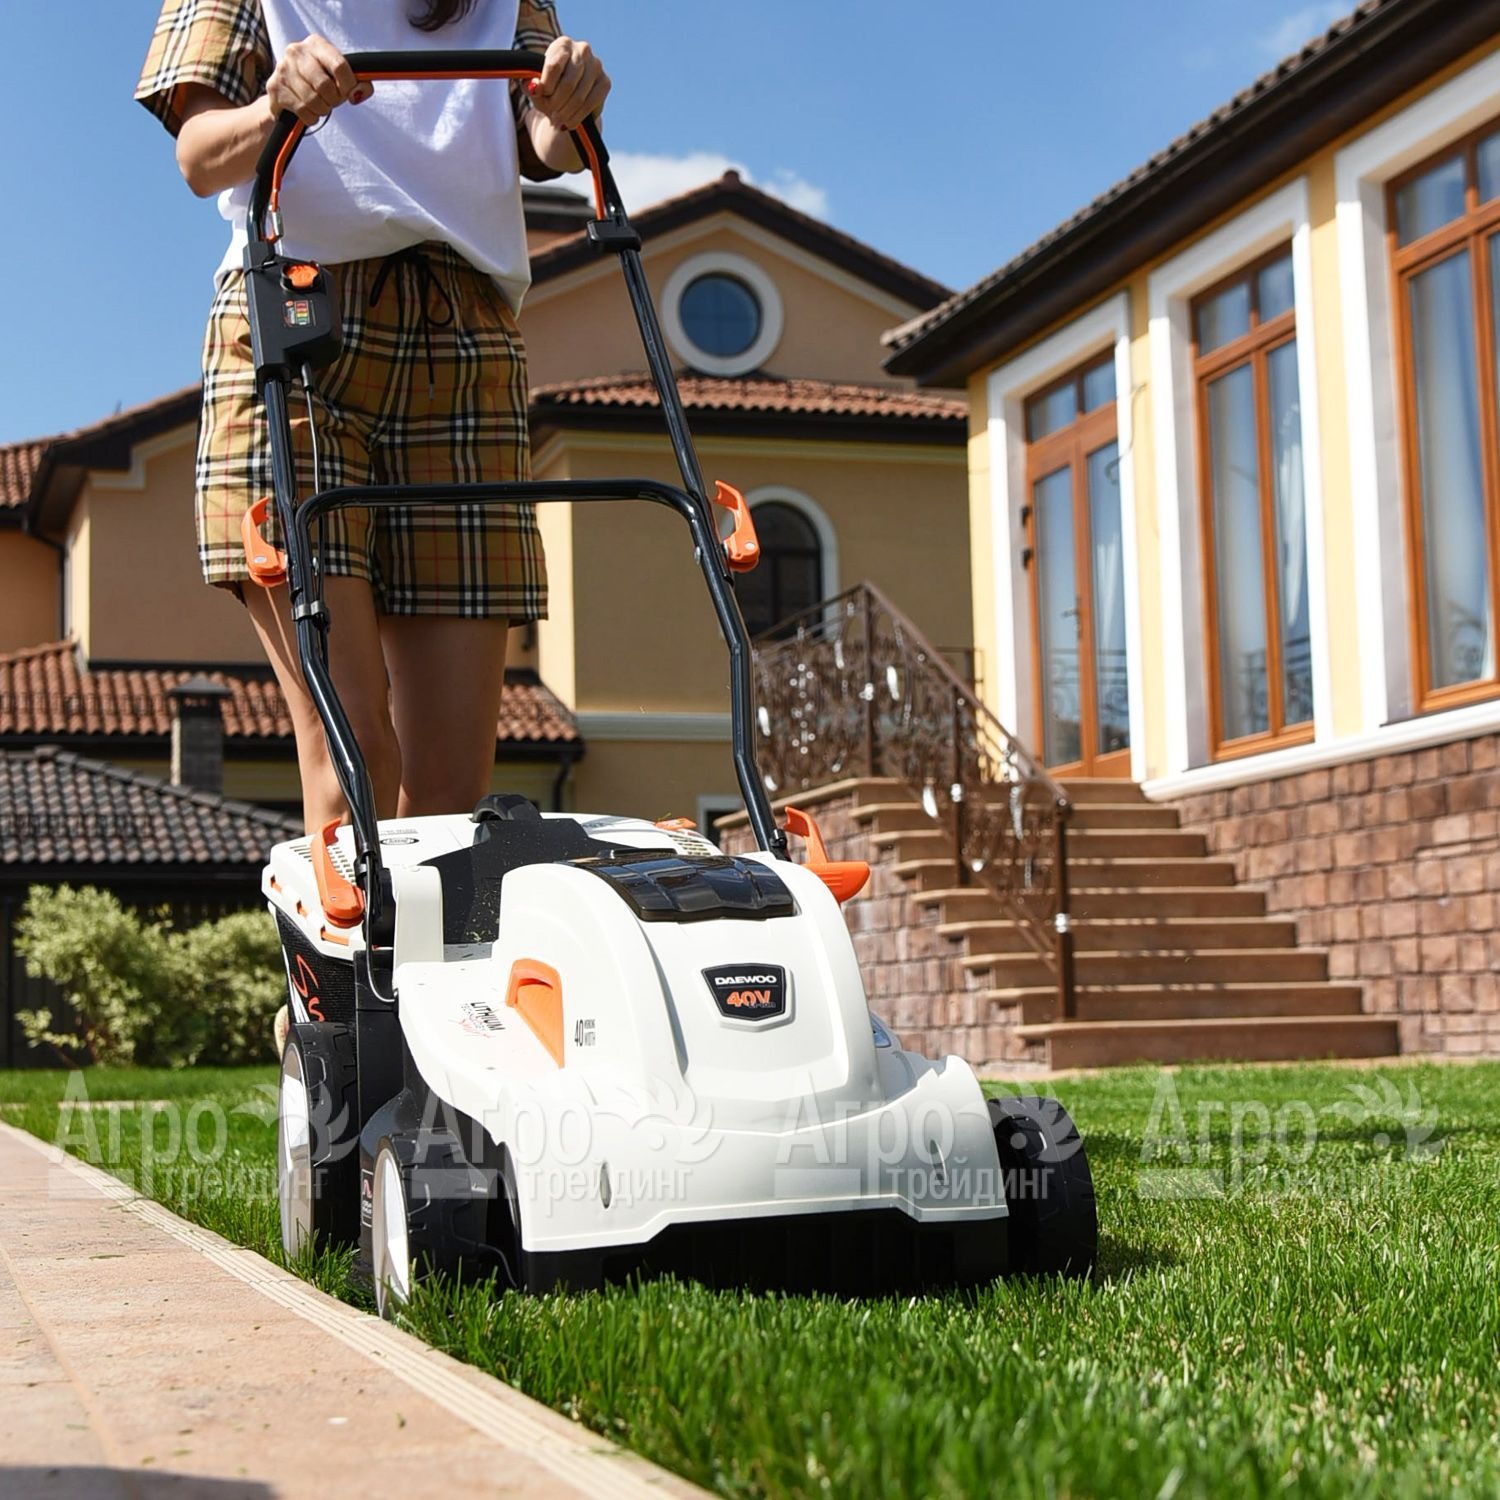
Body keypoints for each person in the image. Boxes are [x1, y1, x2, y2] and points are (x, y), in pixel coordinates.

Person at [137, 0, 609, 1055]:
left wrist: (568, 102)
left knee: (448, 788)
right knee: (352, 751)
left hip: (468, 337)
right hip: (295, 324)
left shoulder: (504, 3)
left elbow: (539, 138)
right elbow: (200, 156)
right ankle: (353, 1050)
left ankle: (442, 1048)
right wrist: (277, 104)